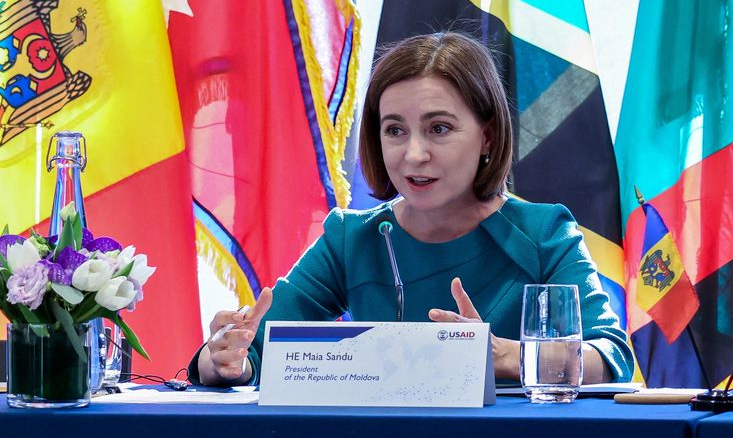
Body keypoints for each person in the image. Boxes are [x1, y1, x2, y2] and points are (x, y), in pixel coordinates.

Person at [189, 32, 634, 386]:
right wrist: (223, 358)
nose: (413, 154)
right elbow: (256, 350)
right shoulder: (351, 238)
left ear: (488, 138)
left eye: (438, 128)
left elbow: (609, 354)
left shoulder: (544, 233)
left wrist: (502, 356)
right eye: (395, 130)